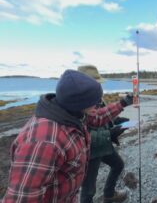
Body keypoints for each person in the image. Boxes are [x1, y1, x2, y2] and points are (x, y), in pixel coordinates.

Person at [2, 69, 133, 203]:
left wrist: (123, 103)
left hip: (68, 196)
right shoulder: (44, 142)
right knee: (88, 192)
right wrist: (109, 134)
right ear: (81, 103)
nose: (97, 104)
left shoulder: (72, 112)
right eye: (94, 100)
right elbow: (22, 198)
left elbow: (97, 117)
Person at [78, 65, 129, 203]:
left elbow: (100, 117)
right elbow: (81, 136)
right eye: (95, 83)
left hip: (104, 145)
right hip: (91, 152)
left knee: (118, 165)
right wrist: (109, 134)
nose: (98, 87)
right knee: (88, 190)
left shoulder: (96, 98)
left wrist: (116, 121)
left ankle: (109, 194)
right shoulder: (77, 104)